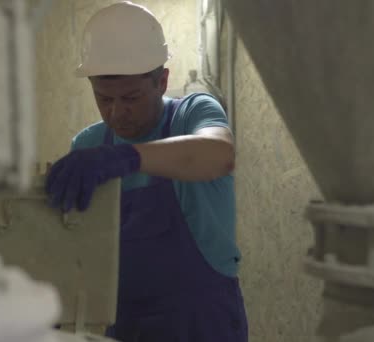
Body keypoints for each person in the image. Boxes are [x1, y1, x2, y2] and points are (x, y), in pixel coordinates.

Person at [45, 2, 248, 341]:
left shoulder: (192, 113)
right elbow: (76, 246)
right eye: (104, 98)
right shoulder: (89, 145)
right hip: (127, 326)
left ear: (162, 81)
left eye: (131, 97)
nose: (116, 112)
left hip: (202, 322)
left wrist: (125, 158)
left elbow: (220, 154)